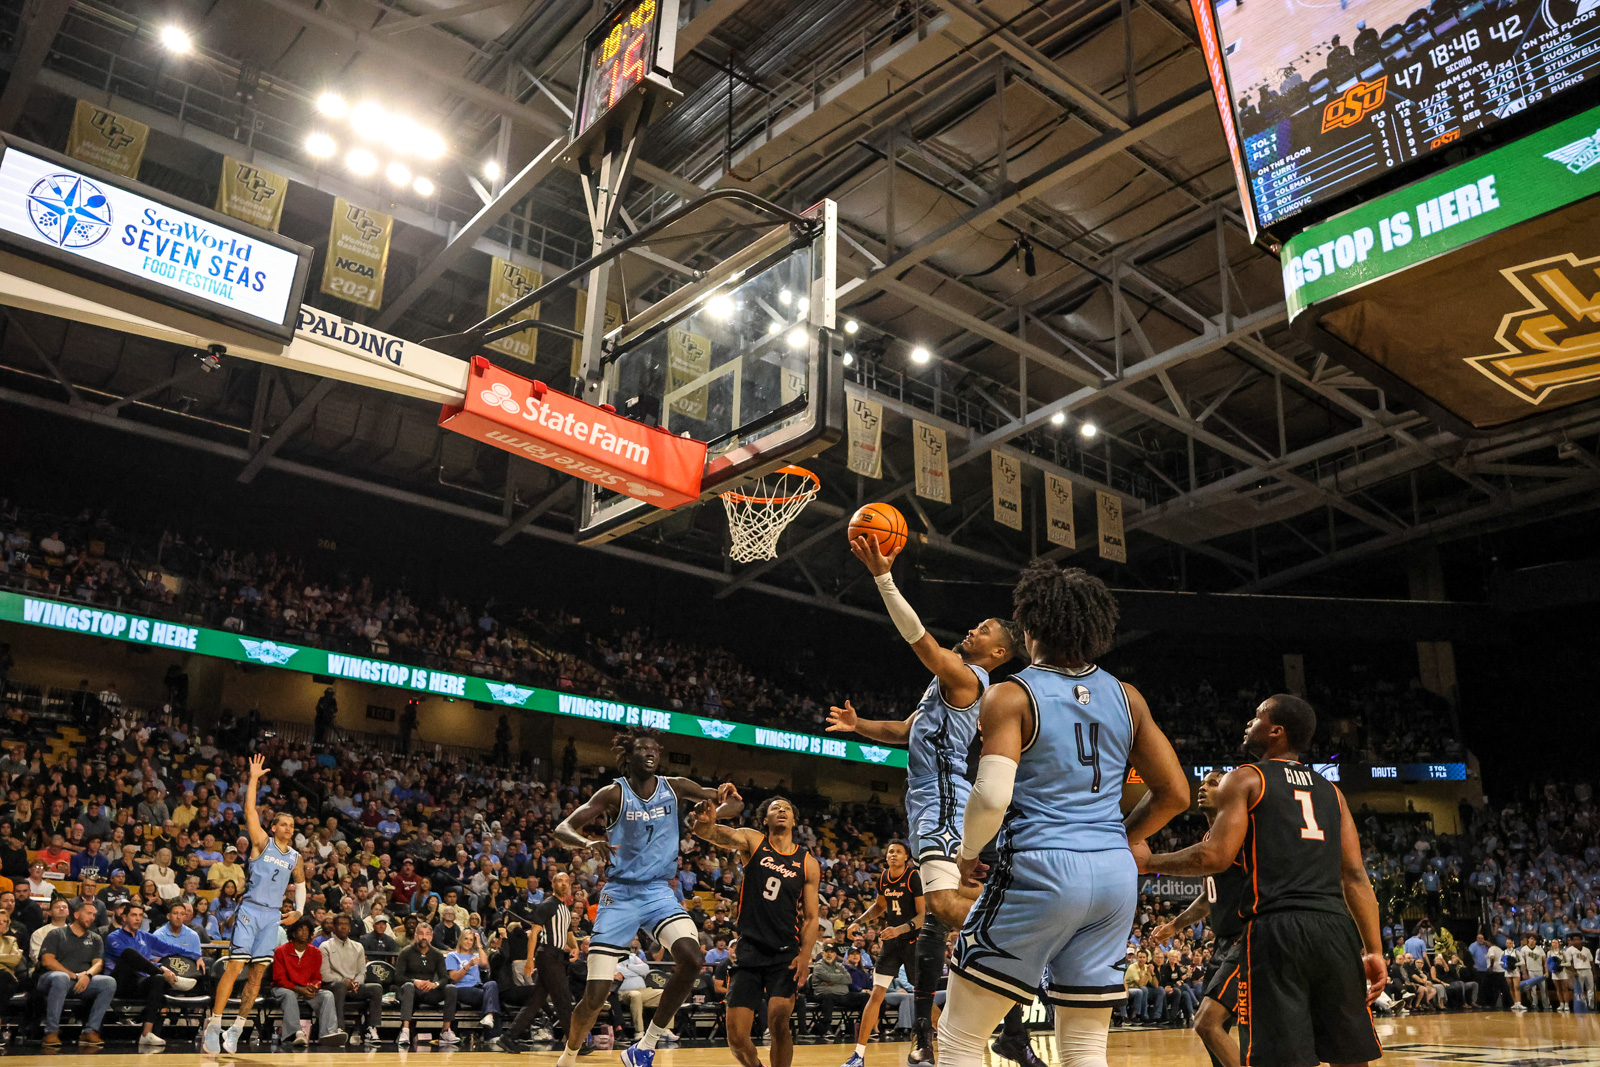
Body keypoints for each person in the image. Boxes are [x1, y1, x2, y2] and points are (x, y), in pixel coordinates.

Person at [940, 561, 1190, 1067]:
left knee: (960, 1037)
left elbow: (990, 796)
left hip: (1041, 867)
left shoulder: (1011, 694)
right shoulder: (1128, 697)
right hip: (1114, 879)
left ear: (1029, 625)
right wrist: (1120, 839)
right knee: (1083, 1044)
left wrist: (966, 854)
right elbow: (1175, 794)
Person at [827, 535, 1039, 1066]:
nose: (973, 629)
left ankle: (1033, 927)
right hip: (931, 804)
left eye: (985, 629)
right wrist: (860, 727)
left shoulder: (969, 677)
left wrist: (883, 578)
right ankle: (1005, 1016)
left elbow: (919, 639)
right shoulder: (941, 689)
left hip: (943, 804)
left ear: (997, 653)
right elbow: (905, 730)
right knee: (941, 918)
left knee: (943, 909)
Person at [1136, 694, 1385, 1067]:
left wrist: (1147, 861)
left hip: (1276, 929)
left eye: (1256, 717)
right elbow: (1355, 877)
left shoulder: (1248, 777)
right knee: (1349, 1057)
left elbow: (1214, 856)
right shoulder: (1332, 792)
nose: (1249, 723)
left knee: (1280, 1058)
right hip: (1336, 929)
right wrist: (1374, 950)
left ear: (1276, 731)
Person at [551, 730, 739, 1067]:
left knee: (693, 960)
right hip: (620, 895)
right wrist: (587, 843)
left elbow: (730, 804)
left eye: (654, 748)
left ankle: (645, 1047)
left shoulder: (676, 786)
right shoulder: (613, 793)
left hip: (658, 892)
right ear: (630, 755)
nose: (650, 753)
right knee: (595, 997)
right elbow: (563, 827)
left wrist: (728, 799)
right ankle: (568, 1056)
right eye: (643, 748)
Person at [690, 796, 819, 1067]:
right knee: (736, 1037)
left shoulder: (807, 862)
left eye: (787, 808)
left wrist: (805, 956)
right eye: (775, 808)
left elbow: (811, 916)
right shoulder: (753, 841)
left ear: (795, 820)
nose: (781, 810)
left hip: (785, 952)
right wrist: (703, 823)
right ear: (765, 819)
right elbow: (711, 833)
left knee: (779, 1019)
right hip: (749, 949)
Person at [204, 753, 306, 1054]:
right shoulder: (262, 841)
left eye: (291, 825)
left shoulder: (296, 858)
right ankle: (215, 1023)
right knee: (235, 966)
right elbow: (249, 809)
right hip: (250, 911)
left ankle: (236, 1029)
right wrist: (254, 779)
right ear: (274, 827)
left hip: (272, 916)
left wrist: (299, 909)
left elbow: (300, 884)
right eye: (283, 824)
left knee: (258, 975)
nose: (288, 828)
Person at [1149, 770, 1246, 1067]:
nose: (1203, 788)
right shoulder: (1209, 838)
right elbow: (1208, 897)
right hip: (1223, 942)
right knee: (1214, 1029)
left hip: (1247, 938)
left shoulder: (1240, 831)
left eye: (1213, 784)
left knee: (1208, 1022)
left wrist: (1150, 863)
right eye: (1202, 784)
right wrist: (1176, 924)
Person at [842, 840, 923, 1066]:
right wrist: (858, 921)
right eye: (890, 852)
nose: (893, 855)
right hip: (891, 945)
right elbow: (879, 907)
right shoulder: (884, 877)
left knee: (921, 998)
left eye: (898, 852)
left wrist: (899, 929)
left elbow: (922, 916)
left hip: (912, 942)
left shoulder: (913, 877)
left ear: (906, 857)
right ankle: (858, 1055)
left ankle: (948, 1036)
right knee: (876, 995)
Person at [490, 869, 579, 1052]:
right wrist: (530, 960)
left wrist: (576, 947)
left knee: (536, 1000)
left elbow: (569, 935)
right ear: (553, 885)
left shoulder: (566, 909)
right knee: (562, 998)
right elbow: (534, 935)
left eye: (567, 882)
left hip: (557, 956)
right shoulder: (547, 905)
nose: (564, 884)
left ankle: (508, 1037)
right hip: (547, 955)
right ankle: (574, 1043)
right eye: (560, 881)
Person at [106, 901, 193, 1048]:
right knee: (129, 953)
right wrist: (162, 968)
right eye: (134, 915)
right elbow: (132, 960)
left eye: (140, 915)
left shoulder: (145, 937)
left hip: (140, 981)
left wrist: (196, 955)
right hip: (119, 982)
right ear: (125, 917)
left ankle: (146, 1034)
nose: (138, 919)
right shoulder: (113, 937)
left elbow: (169, 948)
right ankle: (172, 978)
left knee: (158, 980)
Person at [38, 897, 117, 1047]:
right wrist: (73, 975)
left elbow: (98, 963)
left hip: (81, 981)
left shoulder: (96, 938)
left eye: (94, 915)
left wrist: (87, 975)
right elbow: (47, 961)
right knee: (61, 978)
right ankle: (51, 1032)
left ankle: (90, 1031)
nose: (92, 918)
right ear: (76, 915)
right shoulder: (57, 934)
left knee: (109, 982)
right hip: (51, 980)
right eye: (88, 913)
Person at [272, 919, 344, 1047]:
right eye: (301, 929)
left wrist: (314, 986)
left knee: (327, 995)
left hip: (305, 989)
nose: (304, 932)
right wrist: (299, 989)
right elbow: (279, 979)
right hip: (284, 988)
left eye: (307, 930)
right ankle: (296, 1033)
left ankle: (328, 1034)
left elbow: (317, 977)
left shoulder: (316, 952)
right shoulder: (281, 951)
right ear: (293, 934)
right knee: (289, 995)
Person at [395, 917, 458, 1046]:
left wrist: (435, 984)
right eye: (421, 934)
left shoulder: (437, 954)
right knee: (408, 986)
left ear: (431, 937)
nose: (424, 937)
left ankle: (446, 1030)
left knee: (451, 988)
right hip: (411, 991)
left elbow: (445, 978)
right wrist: (414, 981)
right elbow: (397, 977)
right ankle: (405, 1030)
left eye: (427, 934)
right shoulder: (406, 952)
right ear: (416, 935)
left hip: (430, 991)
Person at [323, 914, 384, 1045]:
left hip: (354, 986)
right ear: (334, 927)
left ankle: (371, 1028)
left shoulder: (358, 947)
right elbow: (324, 975)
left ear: (350, 928)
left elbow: (362, 971)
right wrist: (344, 981)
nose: (343, 927)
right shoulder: (325, 946)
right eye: (340, 924)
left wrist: (356, 983)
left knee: (376, 988)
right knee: (340, 986)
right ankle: (339, 1028)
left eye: (346, 924)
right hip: (334, 986)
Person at [446, 928, 502, 1034]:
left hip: (477, 987)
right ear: (461, 940)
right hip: (461, 988)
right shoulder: (452, 956)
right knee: (494, 998)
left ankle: (489, 1017)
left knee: (492, 984)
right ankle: (492, 1034)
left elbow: (486, 964)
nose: (468, 942)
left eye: (471, 940)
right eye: (466, 939)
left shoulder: (475, 955)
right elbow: (454, 978)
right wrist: (468, 965)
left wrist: (479, 945)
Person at [616, 942, 663, 1039]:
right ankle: (639, 1031)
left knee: (664, 994)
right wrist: (637, 972)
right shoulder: (612, 959)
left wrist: (629, 967)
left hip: (643, 990)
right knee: (635, 995)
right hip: (624, 992)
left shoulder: (632, 957)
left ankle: (664, 1030)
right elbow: (616, 971)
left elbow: (645, 969)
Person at [1566, 933, 1595, 1010]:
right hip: (1578, 971)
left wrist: (1594, 973)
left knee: (1590, 989)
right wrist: (1573, 972)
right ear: (1571, 941)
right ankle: (1581, 1005)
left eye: (1578, 939)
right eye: (1574, 939)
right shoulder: (1570, 950)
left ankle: (1591, 1006)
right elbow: (1569, 963)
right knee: (1579, 990)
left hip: (1588, 969)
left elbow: (1591, 961)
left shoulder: (1586, 950)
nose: (1577, 941)